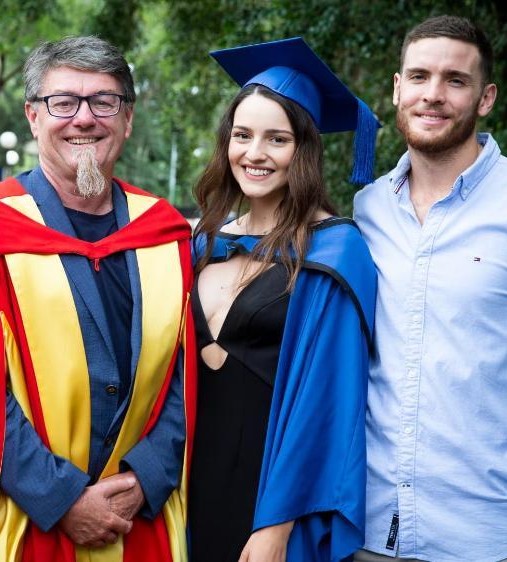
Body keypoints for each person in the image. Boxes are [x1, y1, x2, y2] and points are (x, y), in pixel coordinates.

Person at [0, 36, 195, 561]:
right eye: (63, 102)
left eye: (104, 102)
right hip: (28, 520)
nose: (84, 119)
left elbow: (188, 376)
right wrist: (60, 496)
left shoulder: (165, 232)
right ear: (32, 116)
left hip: (138, 518)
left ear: (127, 118)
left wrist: (148, 475)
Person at [353, 15, 507, 562]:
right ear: (398, 88)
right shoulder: (367, 210)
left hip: (483, 533)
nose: (434, 95)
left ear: (485, 97)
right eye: (419, 76)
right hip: (370, 528)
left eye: (456, 80)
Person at [189, 37, 379, 562]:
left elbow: (327, 401)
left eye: (277, 139)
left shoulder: (335, 252)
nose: (254, 153)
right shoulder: (203, 243)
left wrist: (276, 524)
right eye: (242, 135)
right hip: (188, 479)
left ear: (304, 150)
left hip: (270, 489)